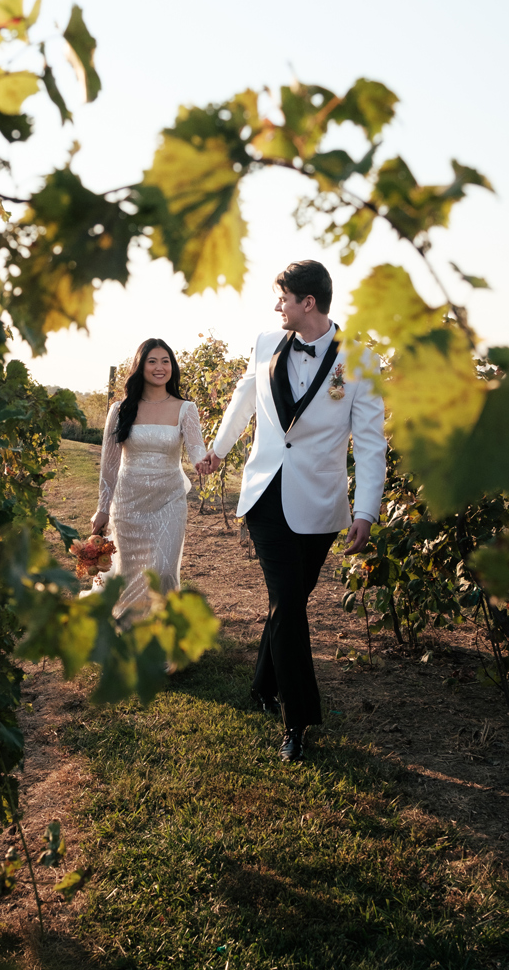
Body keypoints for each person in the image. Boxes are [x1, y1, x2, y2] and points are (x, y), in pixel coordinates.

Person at [198, 260, 386, 762]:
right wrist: (217, 449)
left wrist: (366, 509)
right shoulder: (265, 343)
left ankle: (261, 683)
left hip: (320, 503)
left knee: (291, 601)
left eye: (282, 296)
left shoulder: (361, 362)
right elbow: (243, 400)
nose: (275, 304)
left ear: (308, 302)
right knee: (288, 599)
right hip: (265, 495)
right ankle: (297, 720)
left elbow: (369, 444)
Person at [89, 337, 208, 620]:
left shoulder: (185, 408)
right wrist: (102, 509)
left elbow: (197, 451)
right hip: (129, 504)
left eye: (165, 361)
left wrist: (208, 460)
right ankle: (128, 635)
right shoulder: (120, 410)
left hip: (169, 501)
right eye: (152, 361)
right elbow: (109, 465)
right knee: (130, 572)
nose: (159, 367)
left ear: (172, 367)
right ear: (140, 367)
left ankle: (160, 638)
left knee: (164, 571)